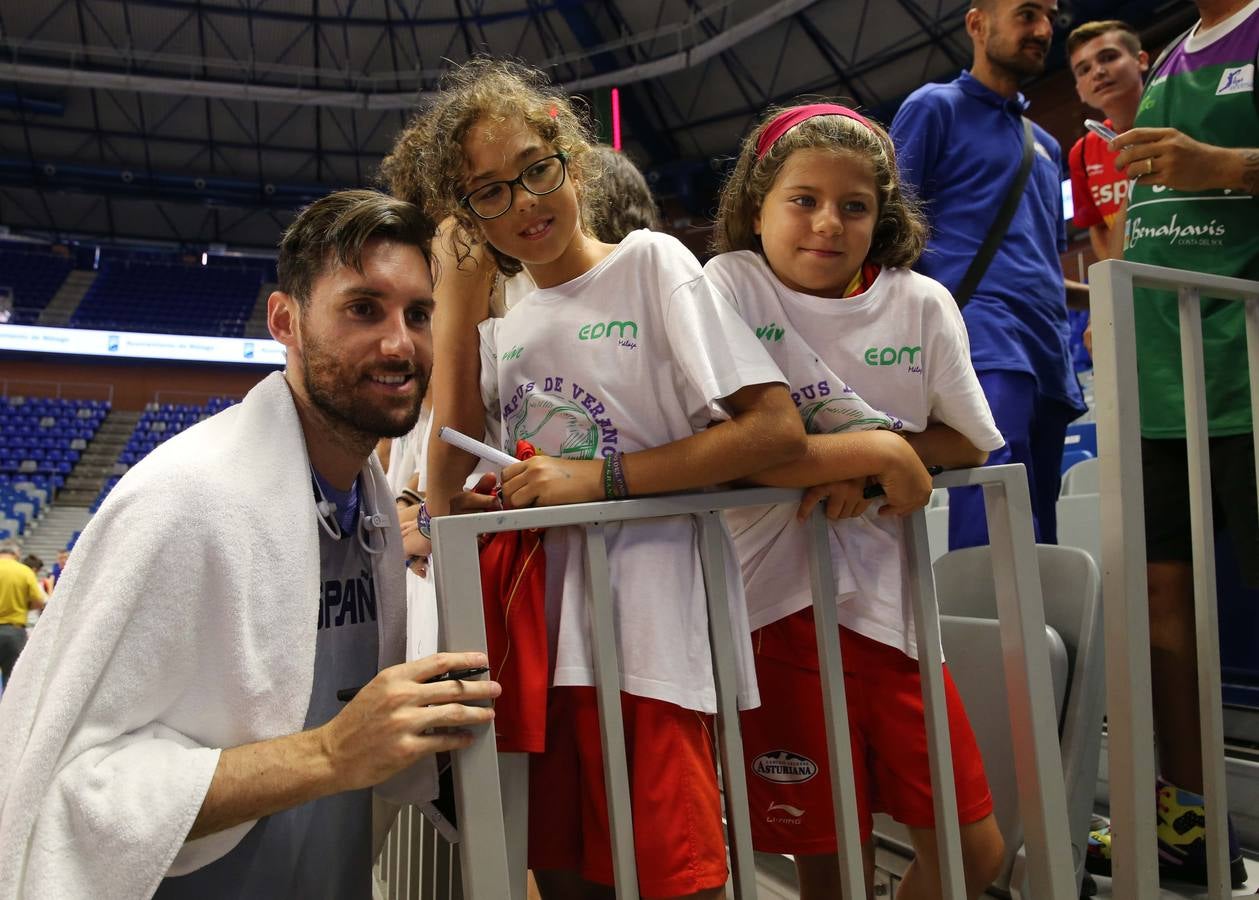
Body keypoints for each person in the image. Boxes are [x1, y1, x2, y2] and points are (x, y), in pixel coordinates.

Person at [0, 190, 501, 900]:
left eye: (417, 313)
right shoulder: (181, 501)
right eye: (363, 308)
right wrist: (328, 753)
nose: (399, 343)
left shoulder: (372, 506)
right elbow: (69, 790)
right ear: (285, 321)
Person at [405, 58, 806, 899]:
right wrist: (458, 304)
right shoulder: (505, 320)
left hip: (650, 635)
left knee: (674, 875)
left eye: (534, 172)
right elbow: (443, 482)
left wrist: (601, 479)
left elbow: (770, 426)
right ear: (468, 215)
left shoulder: (652, 263)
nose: (522, 204)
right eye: (489, 193)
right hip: (548, 645)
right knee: (560, 875)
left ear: (571, 163)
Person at [707, 102, 1007, 900]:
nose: (827, 223)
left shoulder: (919, 303)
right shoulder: (726, 285)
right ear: (756, 205)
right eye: (801, 199)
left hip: (894, 613)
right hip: (772, 611)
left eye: (854, 205)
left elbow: (968, 441)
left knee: (972, 853)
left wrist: (869, 472)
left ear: (883, 215)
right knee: (826, 868)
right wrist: (869, 450)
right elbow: (731, 455)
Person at [1096, 0, 1258, 887]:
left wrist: (1225, 165)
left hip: (1245, 370)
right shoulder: (1166, 60)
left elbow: (1209, 175)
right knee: (1163, 603)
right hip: (1155, 378)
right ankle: (1188, 821)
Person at [890, 0, 1087, 550]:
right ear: (977, 24)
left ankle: (1039, 634)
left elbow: (1045, 265)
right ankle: (997, 637)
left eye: (1049, 17)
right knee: (993, 496)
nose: (1044, 30)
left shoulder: (1046, 146)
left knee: (1039, 514)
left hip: (1050, 344)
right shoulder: (934, 108)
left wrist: (1106, 300)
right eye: (1027, 14)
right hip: (980, 332)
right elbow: (890, 229)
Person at [1066, 19, 1148, 356]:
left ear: (1141, 60)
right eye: (1084, 69)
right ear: (1080, 90)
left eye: (1109, 57)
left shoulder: (1178, 117)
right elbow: (1099, 229)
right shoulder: (1082, 153)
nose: (1097, 72)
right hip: (1135, 288)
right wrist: (1116, 287)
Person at [0, 542, 45, 688]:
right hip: (13, 631)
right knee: (12, 681)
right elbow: (38, 601)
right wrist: (22, 605)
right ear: (17, 555)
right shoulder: (24, 571)